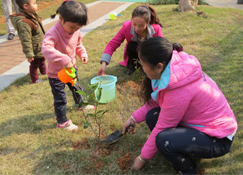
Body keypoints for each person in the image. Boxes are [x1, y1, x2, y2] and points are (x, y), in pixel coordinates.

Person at [122, 36, 238, 174]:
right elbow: (155, 102)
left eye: (143, 64)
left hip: (217, 137)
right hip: (202, 126)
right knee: (152, 116)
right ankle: (178, 148)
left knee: (163, 140)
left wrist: (142, 158)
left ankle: (190, 170)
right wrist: (133, 118)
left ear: (159, 67)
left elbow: (163, 127)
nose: (142, 68)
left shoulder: (177, 89)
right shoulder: (172, 71)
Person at [42, 1, 93, 131]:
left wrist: (82, 53)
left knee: (76, 87)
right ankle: (62, 122)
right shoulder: (53, 33)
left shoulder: (75, 30)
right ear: (61, 19)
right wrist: (64, 58)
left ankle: (81, 104)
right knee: (60, 99)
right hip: (56, 74)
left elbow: (78, 44)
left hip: (71, 70)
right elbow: (46, 49)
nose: (75, 30)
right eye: (72, 27)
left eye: (77, 28)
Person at [97, 4, 163, 76]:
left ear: (148, 22)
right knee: (131, 45)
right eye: (134, 24)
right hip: (134, 53)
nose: (137, 28)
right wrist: (104, 63)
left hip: (149, 54)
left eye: (141, 26)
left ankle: (148, 66)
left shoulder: (156, 29)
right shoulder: (126, 27)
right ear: (131, 20)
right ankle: (133, 66)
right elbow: (112, 44)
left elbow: (161, 48)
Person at [10, 0, 46, 83]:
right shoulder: (24, 22)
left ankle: (44, 72)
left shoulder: (32, 15)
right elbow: (25, 39)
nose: (37, 5)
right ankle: (35, 79)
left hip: (40, 45)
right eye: (34, 3)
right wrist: (29, 54)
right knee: (34, 64)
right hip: (34, 48)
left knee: (42, 59)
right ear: (26, 6)